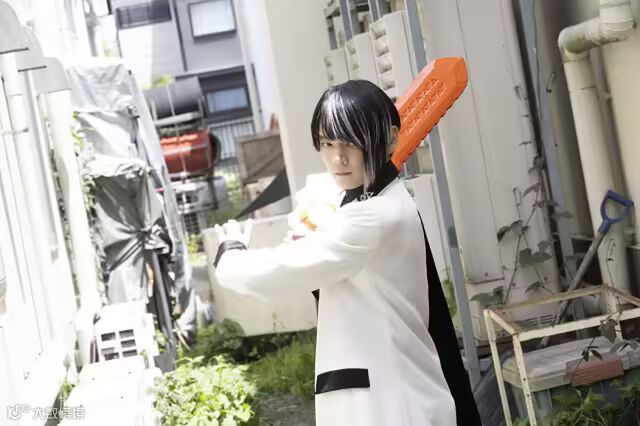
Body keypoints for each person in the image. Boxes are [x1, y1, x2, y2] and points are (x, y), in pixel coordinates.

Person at [214, 80, 481, 426]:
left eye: (351, 143)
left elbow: (284, 268)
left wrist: (230, 255)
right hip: (392, 394)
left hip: (391, 405)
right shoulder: (376, 200)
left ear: (390, 139)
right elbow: (327, 195)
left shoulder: (374, 217)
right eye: (327, 143)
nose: (337, 158)